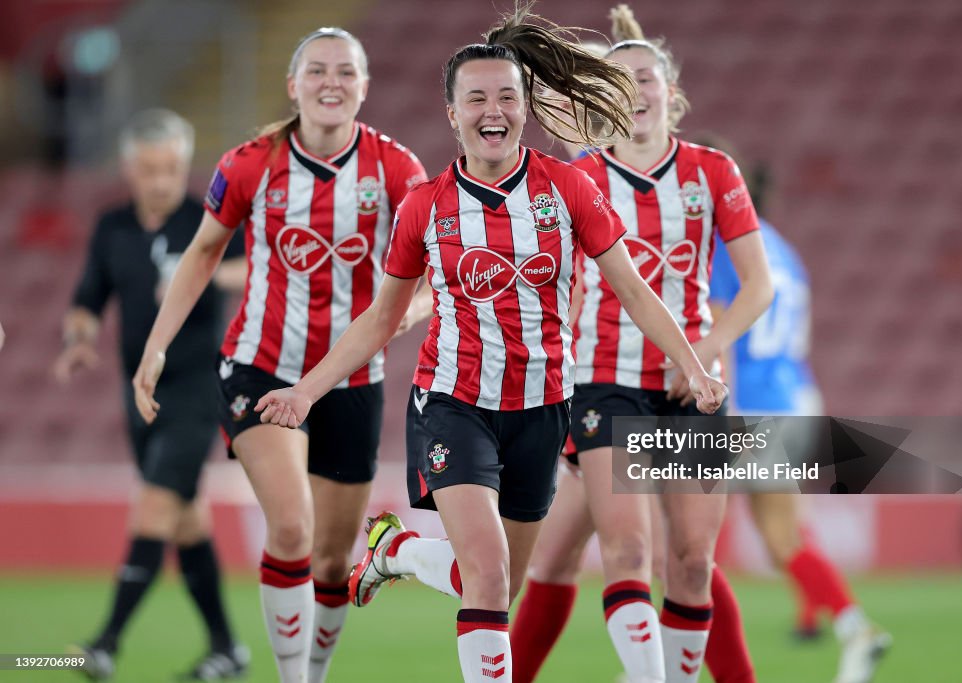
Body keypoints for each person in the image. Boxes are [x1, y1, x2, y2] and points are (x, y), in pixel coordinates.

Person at [254, 5, 728, 682]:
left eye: (508, 95)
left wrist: (693, 363)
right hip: (454, 403)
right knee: (487, 572)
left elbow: (633, 288)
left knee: (499, 585)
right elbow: (381, 318)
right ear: (452, 114)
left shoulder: (569, 188)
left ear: (526, 107)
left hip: (542, 409)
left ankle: (402, 552)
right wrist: (307, 389)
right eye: (476, 98)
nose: (493, 109)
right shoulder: (426, 205)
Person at [131, 28, 427, 683]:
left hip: (354, 379)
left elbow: (439, 268)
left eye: (346, 72)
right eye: (317, 71)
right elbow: (203, 252)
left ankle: (313, 673)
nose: (332, 82)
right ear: (293, 85)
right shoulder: (250, 163)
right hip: (259, 368)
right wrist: (156, 345)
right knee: (291, 528)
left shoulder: (398, 169)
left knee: (329, 559)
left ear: (365, 89)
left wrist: (417, 304)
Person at [512, 7, 773, 683]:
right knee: (626, 548)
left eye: (649, 77)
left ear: (671, 91)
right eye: (623, 80)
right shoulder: (583, 177)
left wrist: (708, 349)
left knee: (690, 560)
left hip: (694, 382)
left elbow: (757, 285)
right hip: (605, 379)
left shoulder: (712, 171)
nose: (640, 90)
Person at [53, 108, 248, 681]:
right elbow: (88, 299)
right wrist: (78, 339)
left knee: (158, 505)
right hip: (135, 392)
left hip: (196, 390)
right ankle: (226, 650)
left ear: (184, 166)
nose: (162, 180)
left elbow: (254, 269)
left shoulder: (205, 222)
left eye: (171, 168)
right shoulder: (112, 227)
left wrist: (202, 270)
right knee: (185, 521)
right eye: (150, 169)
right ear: (129, 169)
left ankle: (105, 643)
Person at [705, 138, 892, 683]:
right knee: (782, 537)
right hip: (792, 398)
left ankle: (674, 660)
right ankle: (855, 627)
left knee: (687, 538)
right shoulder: (786, 252)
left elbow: (722, 334)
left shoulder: (723, 248)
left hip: (747, 406)